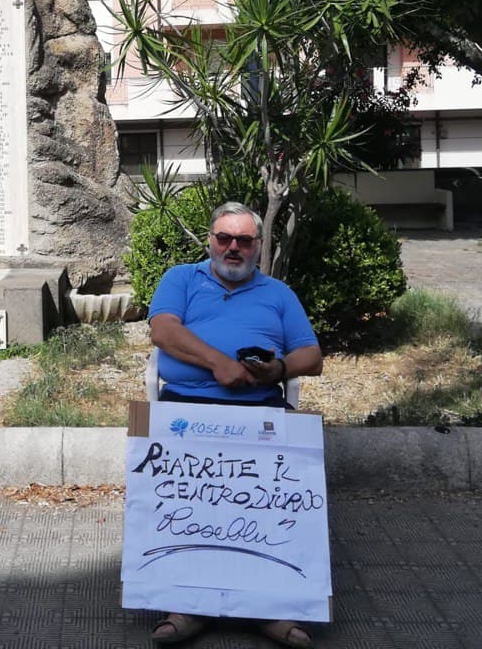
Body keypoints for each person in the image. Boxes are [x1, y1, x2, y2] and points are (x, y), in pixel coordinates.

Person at [146, 201, 324, 648]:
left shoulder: (279, 293)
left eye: (244, 241)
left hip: (259, 411)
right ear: (210, 240)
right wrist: (220, 364)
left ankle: (270, 609)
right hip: (187, 411)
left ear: (258, 247)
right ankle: (186, 606)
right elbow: (163, 332)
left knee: (271, 511)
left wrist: (279, 369)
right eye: (224, 238)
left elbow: (312, 356)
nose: (232, 248)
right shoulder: (182, 279)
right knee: (186, 510)